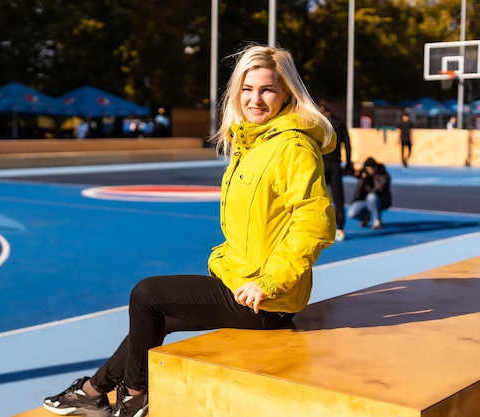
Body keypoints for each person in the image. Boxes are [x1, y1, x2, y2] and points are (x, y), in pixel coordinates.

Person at [41, 44, 337, 417]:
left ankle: (134, 395)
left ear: (286, 94)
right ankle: (93, 391)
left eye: (267, 90)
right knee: (153, 320)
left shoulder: (292, 147)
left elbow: (313, 223)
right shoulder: (254, 144)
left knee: (147, 294)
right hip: (241, 281)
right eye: (247, 89)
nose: (255, 99)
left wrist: (268, 282)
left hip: (263, 298)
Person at [319, 103, 352, 242]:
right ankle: (340, 228)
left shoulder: (318, 121)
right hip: (336, 164)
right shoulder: (339, 122)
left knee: (320, 197)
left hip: (322, 163)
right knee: (338, 197)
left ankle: (321, 227)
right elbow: (348, 144)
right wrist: (349, 163)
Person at [347, 157, 391, 230]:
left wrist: (368, 183)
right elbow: (350, 172)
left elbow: (380, 188)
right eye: (367, 168)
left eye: (370, 168)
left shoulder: (383, 175)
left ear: (375, 167)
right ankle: (365, 217)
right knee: (352, 213)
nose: (369, 170)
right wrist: (354, 167)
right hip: (365, 201)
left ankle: (377, 220)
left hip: (380, 200)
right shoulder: (364, 175)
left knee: (371, 196)